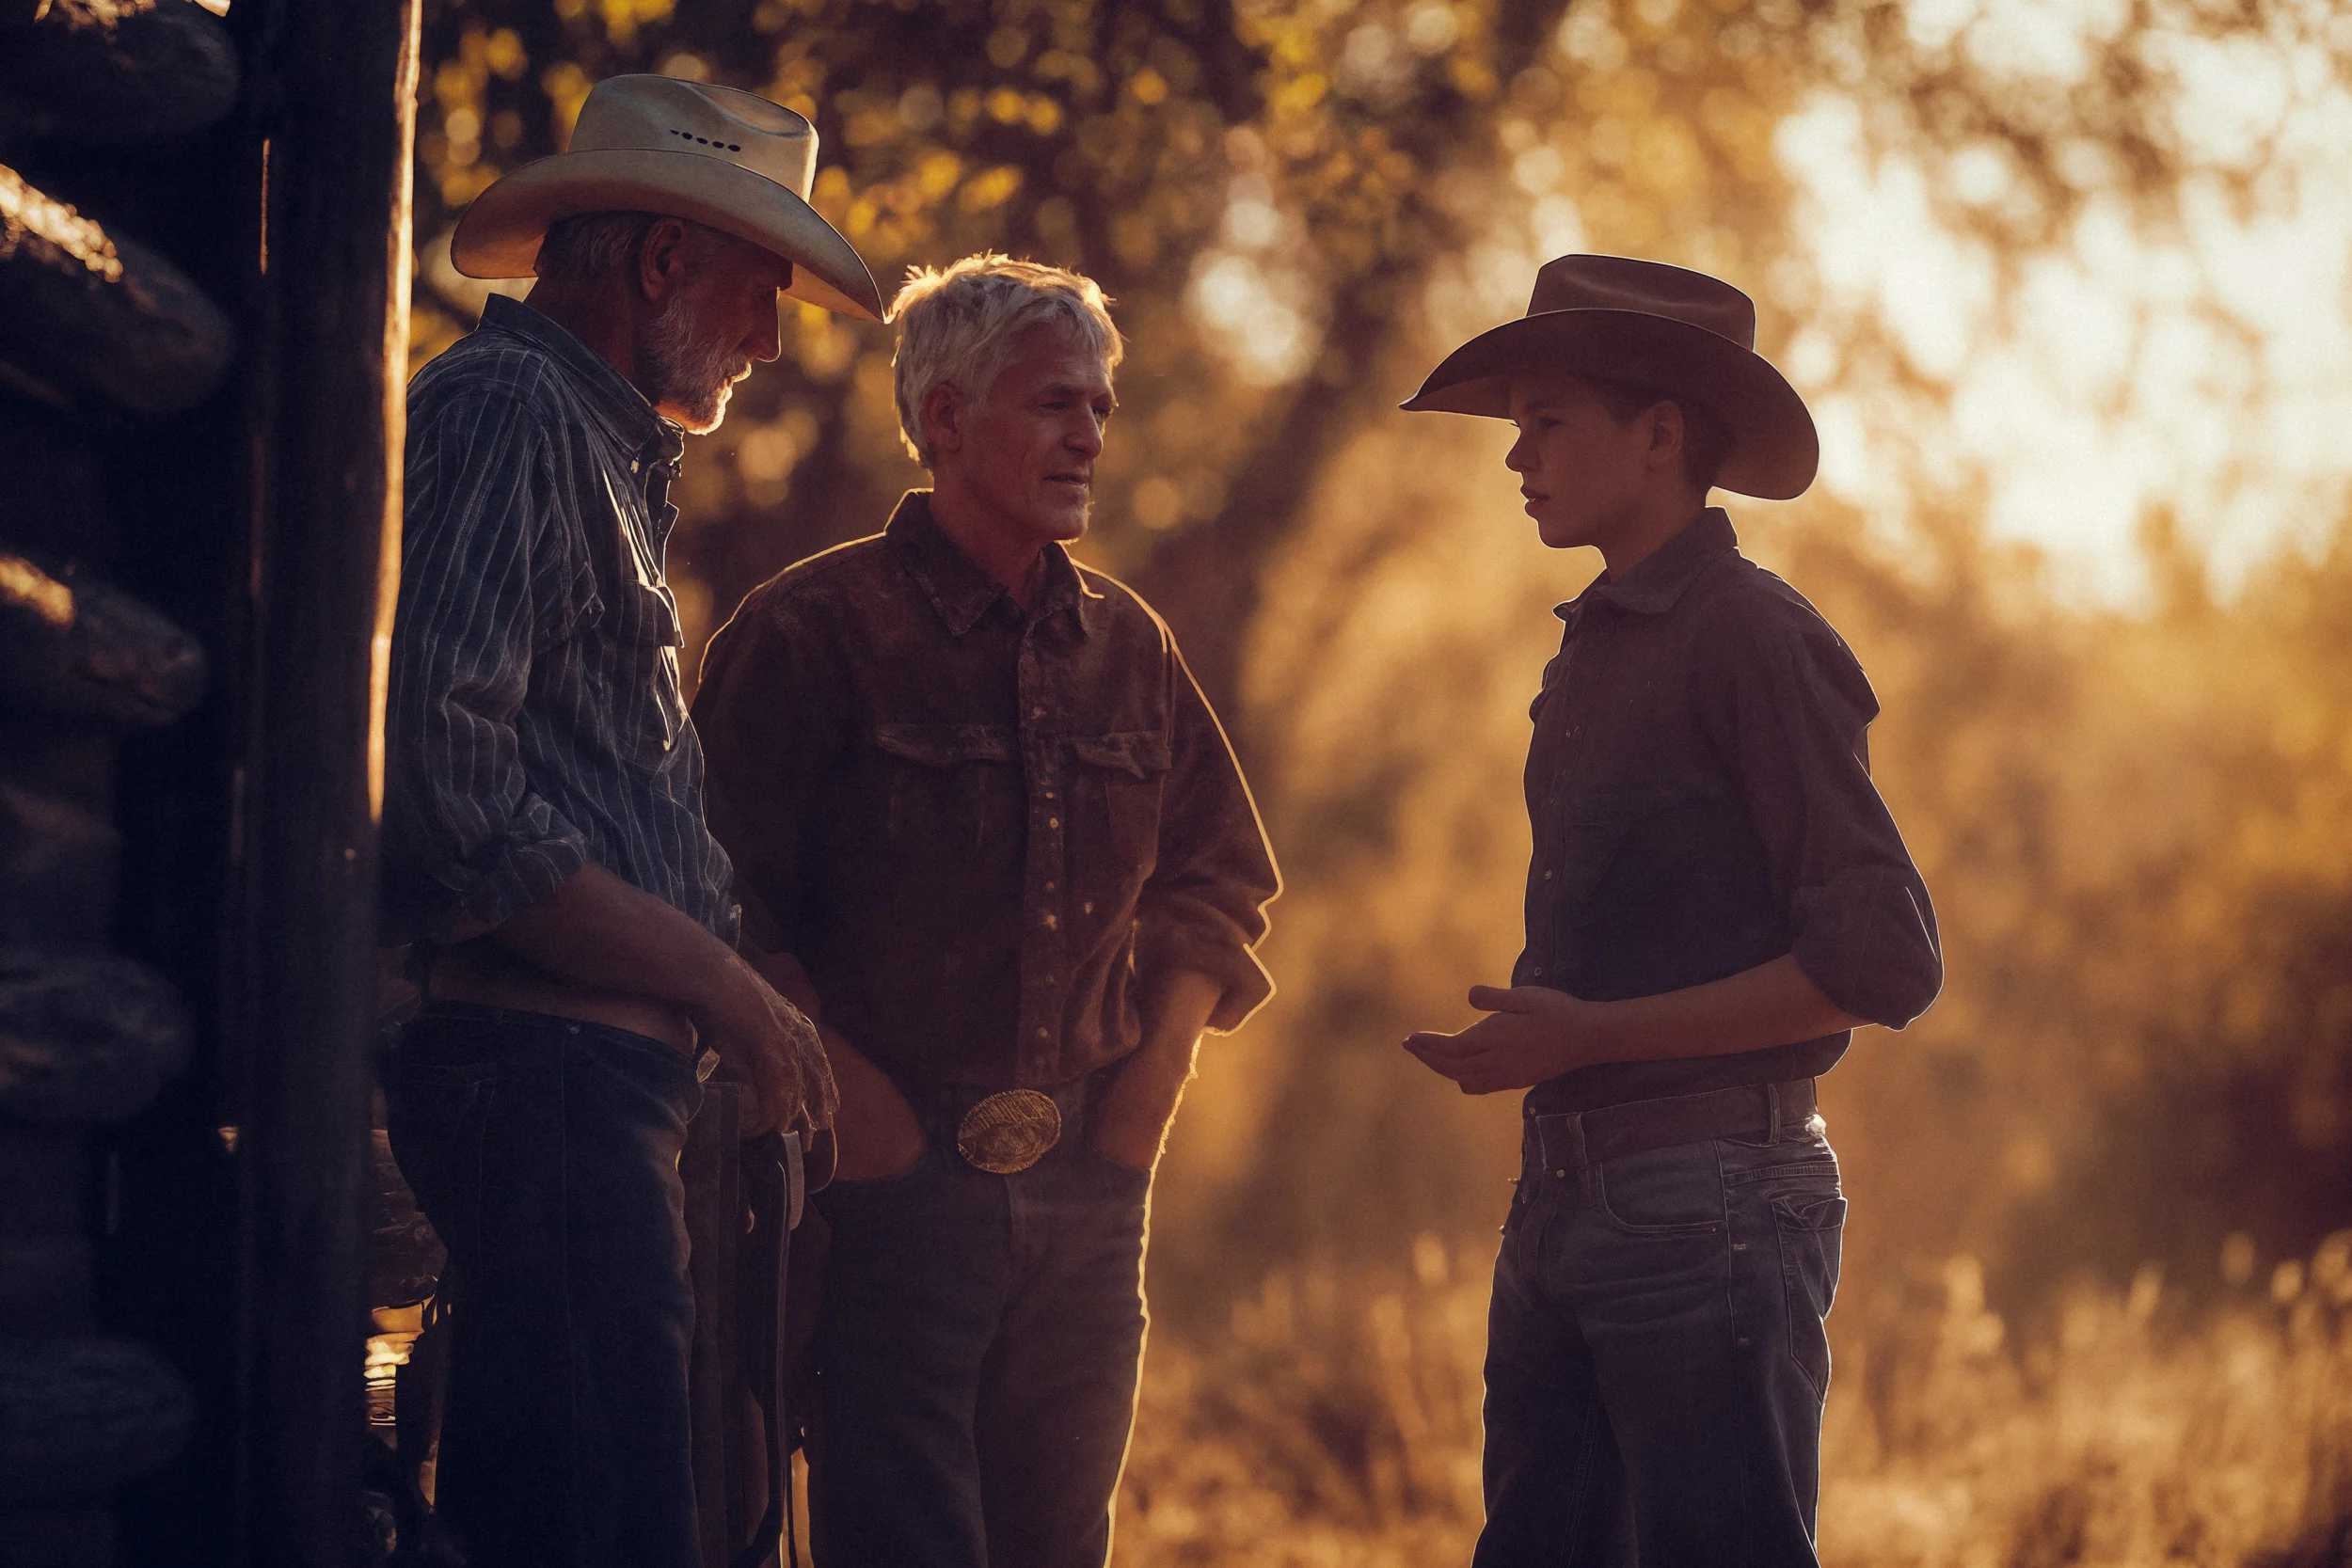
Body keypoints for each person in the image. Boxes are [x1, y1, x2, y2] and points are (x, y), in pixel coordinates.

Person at [691, 254, 1281, 1568]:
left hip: (1090, 1191)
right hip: (882, 1199)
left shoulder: (1131, 645)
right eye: (1054, 404)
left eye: (1100, 408)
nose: (1089, 435)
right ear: (946, 419)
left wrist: (1139, 1115)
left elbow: (1219, 876)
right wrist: (871, 1129)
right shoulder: (810, 632)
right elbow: (718, 899)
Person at [379, 74, 882, 1568]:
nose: (774, 337)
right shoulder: (511, 409)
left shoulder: (589, 442)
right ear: (663, 261)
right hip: (545, 1075)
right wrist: (720, 979)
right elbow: (447, 791)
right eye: (757, 284)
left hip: (587, 1084)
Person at [1398, 255, 1943, 1566]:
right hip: (1568, 1194)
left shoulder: (1757, 638)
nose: (1515, 456)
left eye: (1548, 421)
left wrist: (1587, 1036)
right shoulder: (1596, 638)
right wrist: (1554, 1058)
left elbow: (1884, 960)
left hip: (1713, 1206)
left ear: (1659, 437)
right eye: (1514, 424)